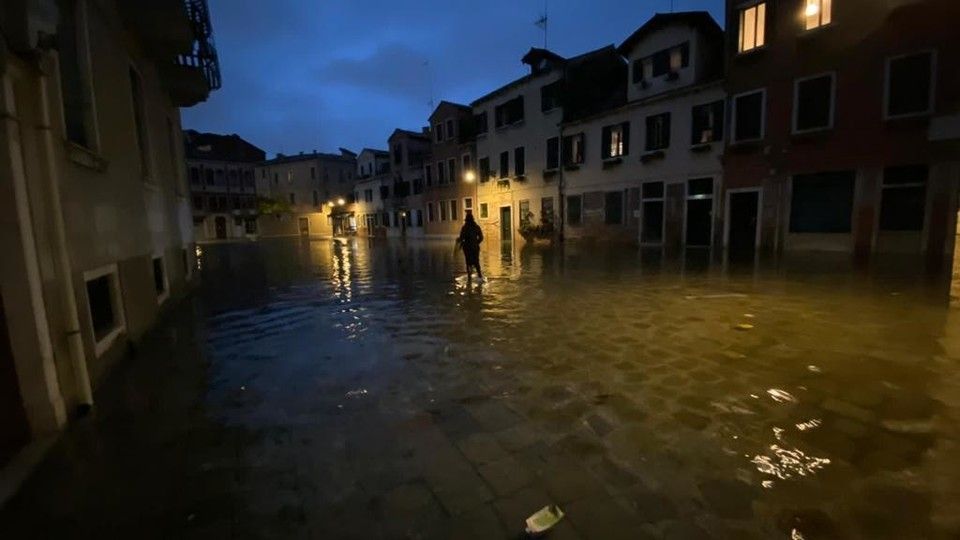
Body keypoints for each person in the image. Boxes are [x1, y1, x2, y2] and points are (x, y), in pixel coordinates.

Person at [457, 211, 484, 281]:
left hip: (467, 248)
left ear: (466, 220)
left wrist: (459, 240)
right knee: (476, 262)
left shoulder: (464, 228)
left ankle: (469, 278)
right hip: (475, 247)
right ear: (473, 219)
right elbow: (481, 237)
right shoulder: (477, 227)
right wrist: (476, 243)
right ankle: (480, 276)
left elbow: (461, 238)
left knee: (468, 262)